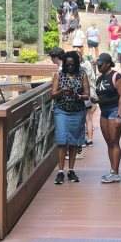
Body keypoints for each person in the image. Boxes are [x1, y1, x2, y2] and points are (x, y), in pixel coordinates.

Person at [52, 51, 90, 184]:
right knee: (62, 139)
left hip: (77, 111)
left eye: (72, 64)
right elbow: (53, 94)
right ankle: (61, 171)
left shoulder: (82, 74)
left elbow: (87, 94)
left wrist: (77, 96)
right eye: (67, 65)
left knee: (74, 140)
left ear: (76, 63)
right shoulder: (59, 74)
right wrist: (62, 91)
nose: (70, 67)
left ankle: (71, 170)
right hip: (61, 110)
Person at [93, 53, 121, 183]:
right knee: (108, 143)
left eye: (101, 64)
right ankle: (112, 170)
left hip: (114, 111)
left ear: (107, 64)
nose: (99, 67)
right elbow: (103, 95)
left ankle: (116, 172)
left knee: (114, 141)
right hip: (104, 111)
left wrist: (119, 115)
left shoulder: (116, 76)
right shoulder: (99, 79)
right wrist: (96, 99)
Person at [78, 48, 98, 148]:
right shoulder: (86, 65)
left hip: (80, 95)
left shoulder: (77, 70)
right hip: (88, 92)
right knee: (88, 118)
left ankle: (81, 140)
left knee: (80, 118)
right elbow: (92, 78)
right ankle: (90, 140)